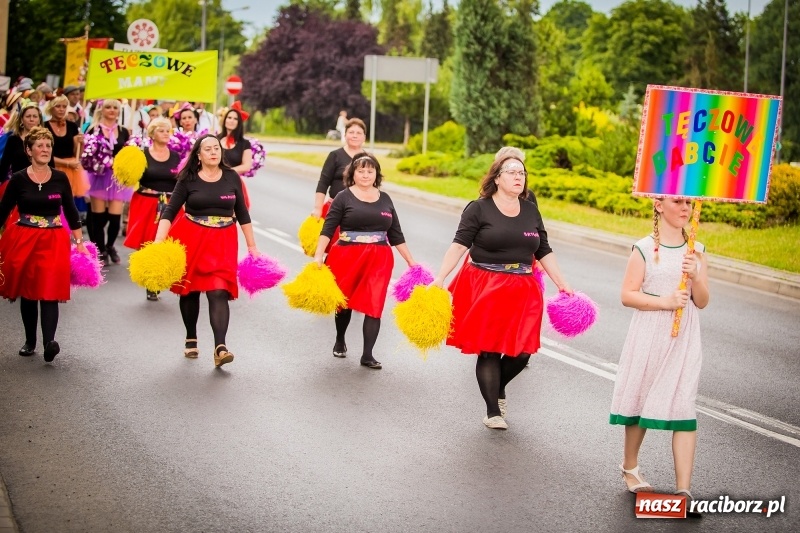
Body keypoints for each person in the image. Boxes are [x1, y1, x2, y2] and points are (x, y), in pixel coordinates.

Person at [432, 155, 573, 430]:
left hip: (523, 287)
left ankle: (498, 386)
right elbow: (459, 245)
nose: (518, 177)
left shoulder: (530, 210)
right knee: (488, 349)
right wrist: (440, 277)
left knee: (523, 351)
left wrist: (561, 282)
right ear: (497, 177)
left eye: (522, 172)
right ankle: (493, 410)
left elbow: (543, 249)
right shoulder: (479, 209)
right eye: (511, 172)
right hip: (486, 284)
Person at [609, 197, 709, 503]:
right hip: (651, 332)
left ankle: (683, 487)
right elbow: (627, 295)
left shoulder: (697, 251)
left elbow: (702, 301)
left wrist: (696, 275)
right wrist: (664, 302)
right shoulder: (642, 248)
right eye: (678, 202)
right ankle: (630, 466)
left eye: (689, 203)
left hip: (684, 337)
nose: (685, 209)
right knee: (642, 398)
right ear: (658, 205)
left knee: (683, 404)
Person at [154, 134, 259, 368]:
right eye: (208, 149)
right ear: (198, 156)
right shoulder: (188, 178)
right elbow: (170, 210)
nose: (214, 152)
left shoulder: (232, 177)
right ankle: (191, 335)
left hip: (223, 240)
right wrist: (158, 241)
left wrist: (252, 247)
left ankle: (220, 347)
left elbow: (242, 213)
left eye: (217, 148)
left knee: (219, 291)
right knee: (189, 291)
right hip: (192, 238)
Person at [313, 153, 417, 370]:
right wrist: (318, 256)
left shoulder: (386, 198)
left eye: (370, 171)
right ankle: (340, 338)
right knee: (344, 302)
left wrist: (411, 261)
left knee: (374, 303)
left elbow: (396, 234)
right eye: (361, 170)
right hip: (346, 256)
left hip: (379, 257)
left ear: (377, 174)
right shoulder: (343, 197)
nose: (366, 175)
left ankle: (367, 354)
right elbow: (328, 229)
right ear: (352, 173)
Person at [0, 127, 87, 362]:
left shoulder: (60, 178)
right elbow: (3, 212)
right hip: (25, 237)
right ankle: (30, 341)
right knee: (29, 292)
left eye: (48, 145)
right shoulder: (18, 179)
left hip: (54, 238)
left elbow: (70, 211)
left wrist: (79, 243)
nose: (45, 149)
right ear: (29, 150)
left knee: (49, 290)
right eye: (40, 145)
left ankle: (50, 342)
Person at [123, 117, 182, 301]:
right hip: (146, 202)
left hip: (170, 204)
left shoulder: (176, 157)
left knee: (166, 241)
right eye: (161, 130)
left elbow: (181, 182)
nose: (166, 133)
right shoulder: (142, 155)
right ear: (152, 133)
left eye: (168, 130)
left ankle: (160, 277)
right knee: (148, 242)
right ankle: (150, 280)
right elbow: (129, 178)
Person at [85, 99, 131, 265]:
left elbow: (129, 153)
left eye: (115, 108)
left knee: (115, 216)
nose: (112, 110)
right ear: (101, 110)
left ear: (119, 111)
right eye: (108, 107)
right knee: (98, 215)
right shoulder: (93, 130)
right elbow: (87, 154)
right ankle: (100, 250)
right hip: (98, 176)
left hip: (117, 177)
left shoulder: (124, 131)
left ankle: (110, 245)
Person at [312, 118, 366, 219]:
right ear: (345, 135)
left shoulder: (369, 159)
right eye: (351, 132)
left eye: (359, 133)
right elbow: (323, 183)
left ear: (364, 137)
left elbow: (375, 186)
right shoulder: (335, 155)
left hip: (360, 212)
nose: (355, 135)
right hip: (334, 210)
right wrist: (317, 208)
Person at [44, 95, 89, 198]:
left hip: (71, 171)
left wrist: (81, 144)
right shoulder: (44, 126)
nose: (61, 109)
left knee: (67, 204)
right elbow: (44, 154)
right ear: (51, 107)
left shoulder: (72, 126)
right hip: (51, 168)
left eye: (64, 106)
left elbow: (77, 154)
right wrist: (67, 163)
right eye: (58, 106)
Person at [0, 103, 44, 194]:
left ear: (39, 120)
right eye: (28, 116)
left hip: (40, 186)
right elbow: (4, 166)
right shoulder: (13, 139)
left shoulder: (46, 139)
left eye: (35, 116)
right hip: (18, 186)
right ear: (21, 120)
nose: (31, 119)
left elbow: (51, 166)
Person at [217, 105, 252, 176]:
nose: (231, 121)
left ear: (239, 123)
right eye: (229, 117)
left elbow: (246, 166)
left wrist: (227, 171)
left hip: (233, 180)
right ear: (225, 120)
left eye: (235, 119)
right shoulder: (216, 139)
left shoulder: (244, 143)